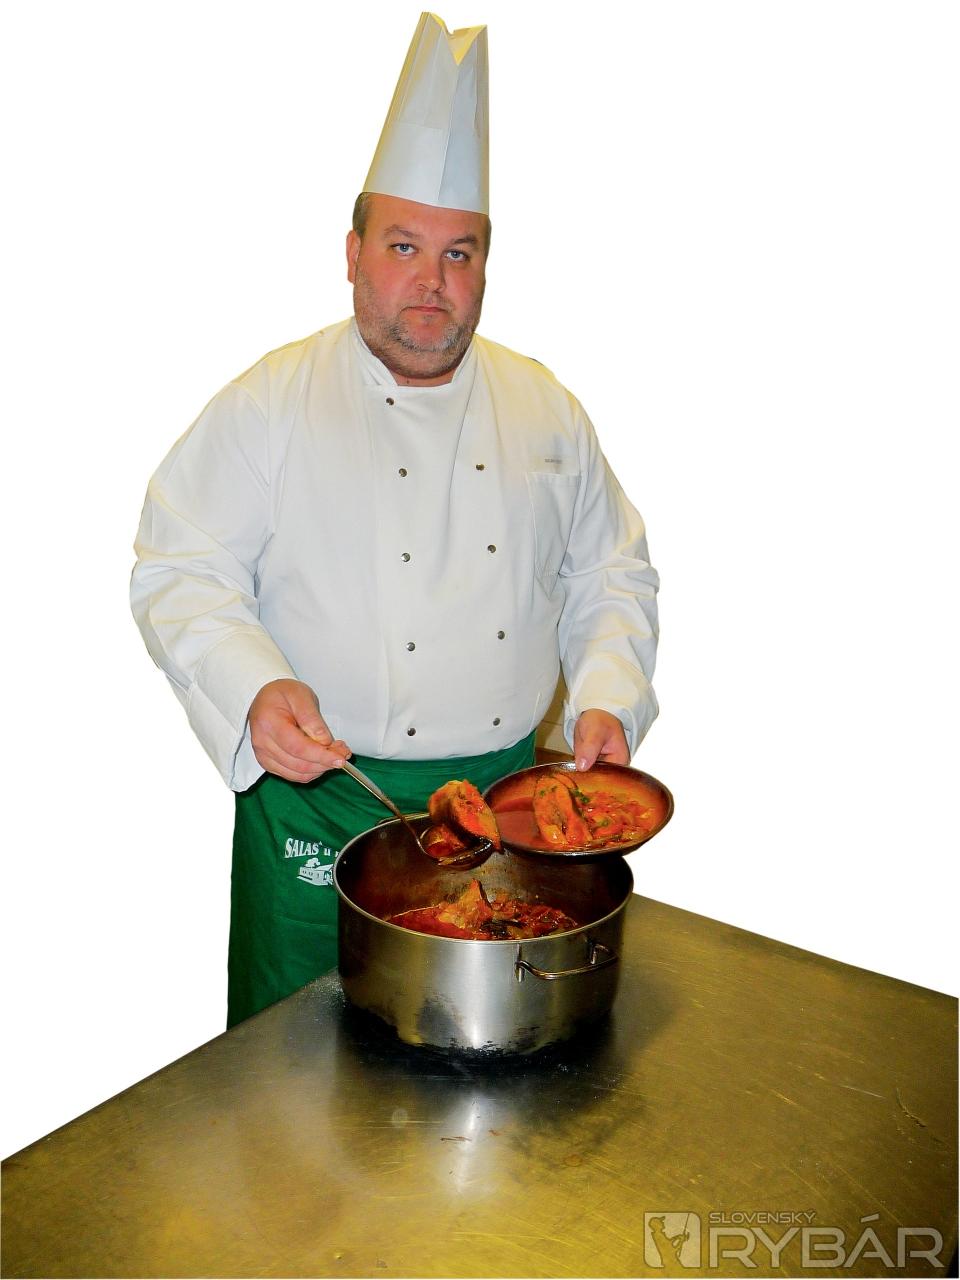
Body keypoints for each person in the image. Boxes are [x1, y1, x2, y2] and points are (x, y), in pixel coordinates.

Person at [131, 13, 659, 1027]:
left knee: (487, 1078)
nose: (432, 283)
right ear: (352, 252)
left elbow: (610, 573)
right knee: (288, 1082)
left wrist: (609, 697)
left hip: (511, 817)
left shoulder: (546, 406)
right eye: (404, 246)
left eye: (459, 253)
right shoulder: (271, 402)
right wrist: (251, 686)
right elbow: (180, 563)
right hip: (324, 804)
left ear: (487, 265)